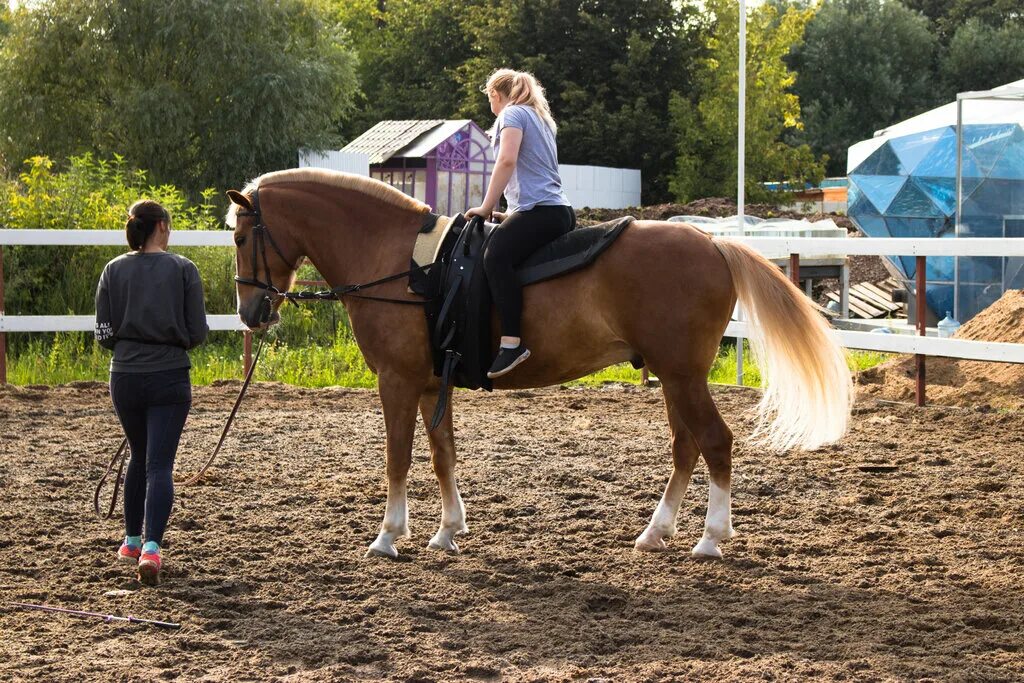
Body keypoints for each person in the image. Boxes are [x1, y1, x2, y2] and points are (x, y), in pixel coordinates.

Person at [94, 199, 209, 585]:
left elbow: (104, 335)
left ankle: (130, 540)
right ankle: (152, 548)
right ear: (162, 226)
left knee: (139, 455)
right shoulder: (183, 269)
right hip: (168, 376)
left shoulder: (113, 270)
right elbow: (197, 334)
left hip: (124, 377)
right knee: (160, 464)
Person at [466, 68, 576, 379]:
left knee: (495, 257)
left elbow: (507, 161)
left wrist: (487, 206)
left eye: (489, 99)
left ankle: (512, 343)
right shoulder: (541, 118)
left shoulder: (512, 114)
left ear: (494, 95)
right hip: (557, 210)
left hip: (540, 210)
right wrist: (511, 215)